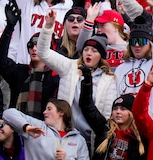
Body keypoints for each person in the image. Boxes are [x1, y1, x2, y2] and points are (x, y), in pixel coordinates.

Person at [37, 10, 117, 140]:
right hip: (65, 134)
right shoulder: (70, 67)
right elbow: (43, 52)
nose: (88, 53)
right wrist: (48, 26)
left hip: (90, 139)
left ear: (101, 56)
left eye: (94, 50)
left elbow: (107, 115)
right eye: (86, 49)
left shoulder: (109, 79)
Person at [3, 100, 91, 160]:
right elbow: (8, 113)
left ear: (61, 112)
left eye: (49, 109)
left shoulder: (79, 139)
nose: (44, 112)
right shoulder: (38, 127)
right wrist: (26, 127)